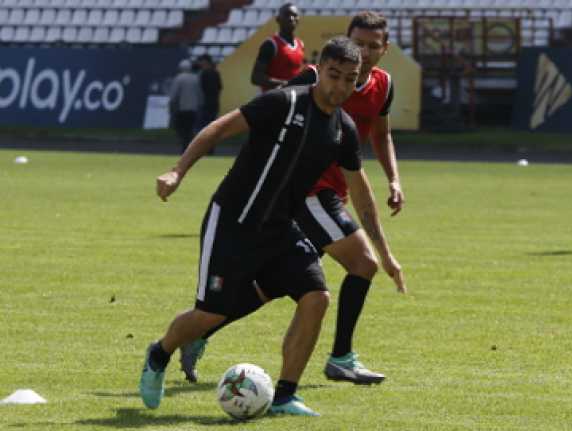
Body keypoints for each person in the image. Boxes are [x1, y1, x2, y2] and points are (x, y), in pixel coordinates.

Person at [139, 36, 404, 417]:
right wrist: (176, 171)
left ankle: (284, 396)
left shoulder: (343, 129)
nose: (341, 86)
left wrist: (385, 255)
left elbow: (362, 195)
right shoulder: (285, 101)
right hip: (233, 219)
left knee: (316, 296)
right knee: (211, 313)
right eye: (334, 75)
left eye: (350, 78)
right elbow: (218, 128)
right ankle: (159, 352)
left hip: (281, 229)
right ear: (319, 70)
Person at [251, 3, 304, 92]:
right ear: (278, 19)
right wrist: (286, 84)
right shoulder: (270, 44)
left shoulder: (300, 44)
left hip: (292, 100)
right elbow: (256, 78)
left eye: (295, 15)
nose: (291, 18)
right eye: (287, 15)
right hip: (272, 101)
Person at [168, 59, 203, 153]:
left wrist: (171, 106)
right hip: (193, 109)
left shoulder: (179, 78)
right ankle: (189, 147)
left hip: (182, 108)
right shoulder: (196, 78)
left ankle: (185, 147)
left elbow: (174, 95)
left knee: (181, 129)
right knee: (189, 129)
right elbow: (200, 94)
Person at [197, 54, 222, 130]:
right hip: (214, 102)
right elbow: (220, 87)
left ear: (205, 62)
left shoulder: (204, 73)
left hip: (206, 103)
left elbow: (201, 89)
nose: (199, 63)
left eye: (201, 61)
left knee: (204, 125)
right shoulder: (215, 72)